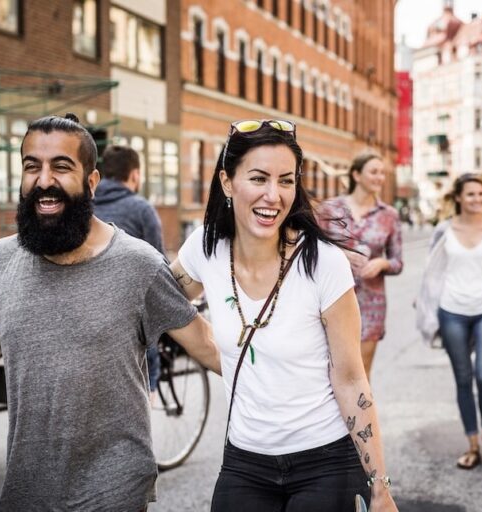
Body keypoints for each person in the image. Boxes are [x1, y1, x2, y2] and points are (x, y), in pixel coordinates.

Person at [0, 114, 221, 512]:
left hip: (114, 491)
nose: (44, 180)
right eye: (32, 166)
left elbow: (210, 347)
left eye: (61, 167)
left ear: (91, 181)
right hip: (26, 493)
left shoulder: (138, 264)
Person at [170, 120, 397, 511]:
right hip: (245, 461)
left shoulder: (324, 263)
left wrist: (380, 488)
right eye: (259, 178)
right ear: (227, 182)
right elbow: (163, 299)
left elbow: (350, 379)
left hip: (326, 460)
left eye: (286, 181)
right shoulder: (206, 248)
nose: (273, 196)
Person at [415, 173, 482, 470]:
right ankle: (472, 444)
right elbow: (432, 271)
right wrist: (426, 303)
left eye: (481, 194)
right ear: (458, 197)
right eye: (470, 194)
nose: (477, 199)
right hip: (452, 311)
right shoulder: (443, 230)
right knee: (463, 378)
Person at [317, 153, 403, 379]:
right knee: (329, 370)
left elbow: (397, 262)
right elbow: (309, 249)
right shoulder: (329, 210)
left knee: (362, 373)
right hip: (331, 298)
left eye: (382, 173)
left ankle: (363, 405)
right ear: (356, 175)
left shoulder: (389, 215)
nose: (380, 177)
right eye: (374, 172)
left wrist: (382, 263)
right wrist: (340, 255)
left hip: (371, 303)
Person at [94, 144, 165, 400]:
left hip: (88, 310)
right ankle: (150, 392)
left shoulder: (85, 206)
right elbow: (159, 267)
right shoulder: (141, 209)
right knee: (148, 349)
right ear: (134, 175)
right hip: (129, 315)